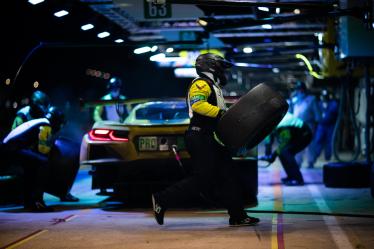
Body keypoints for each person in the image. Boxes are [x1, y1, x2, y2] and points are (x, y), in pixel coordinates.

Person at [151, 53, 260, 227]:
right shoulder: (201, 83)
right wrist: (223, 114)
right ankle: (162, 199)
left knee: (229, 176)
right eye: (221, 67)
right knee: (203, 179)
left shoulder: (213, 86)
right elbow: (198, 105)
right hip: (201, 137)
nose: (224, 72)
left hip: (212, 138)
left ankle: (238, 216)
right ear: (211, 67)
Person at [11, 91, 79, 202]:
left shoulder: (42, 114)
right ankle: (37, 199)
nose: (45, 110)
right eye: (43, 106)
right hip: (20, 148)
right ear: (35, 105)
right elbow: (15, 135)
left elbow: (45, 136)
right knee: (42, 163)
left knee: (58, 158)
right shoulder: (22, 115)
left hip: (32, 147)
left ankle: (62, 191)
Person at [3, 106, 66, 212]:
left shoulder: (39, 121)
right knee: (43, 163)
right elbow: (43, 149)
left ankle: (29, 202)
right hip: (11, 150)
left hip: (8, 149)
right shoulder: (46, 125)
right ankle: (37, 201)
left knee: (32, 167)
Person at [262, 112, 312, 186]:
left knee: (286, 152)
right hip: (296, 134)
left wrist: (274, 155)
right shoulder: (271, 121)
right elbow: (268, 139)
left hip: (304, 135)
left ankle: (298, 179)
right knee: (283, 153)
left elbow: (285, 141)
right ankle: (291, 176)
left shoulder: (282, 124)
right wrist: (267, 154)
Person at [289, 81, 321, 168]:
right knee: (297, 144)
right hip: (296, 126)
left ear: (305, 90)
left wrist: (317, 124)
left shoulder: (311, 99)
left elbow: (317, 115)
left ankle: (311, 162)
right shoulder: (294, 100)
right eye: (299, 90)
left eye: (302, 90)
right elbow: (290, 112)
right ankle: (298, 162)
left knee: (310, 144)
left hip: (309, 125)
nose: (300, 92)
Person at [310, 89, 338, 165]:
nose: (325, 98)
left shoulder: (333, 104)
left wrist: (326, 108)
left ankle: (328, 157)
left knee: (329, 141)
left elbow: (335, 111)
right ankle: (315, 156)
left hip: (330, 126)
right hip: (321, 125)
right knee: (318, 140)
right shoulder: (319, 103)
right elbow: (315, 113)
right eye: (323, 96)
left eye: (326, 96)